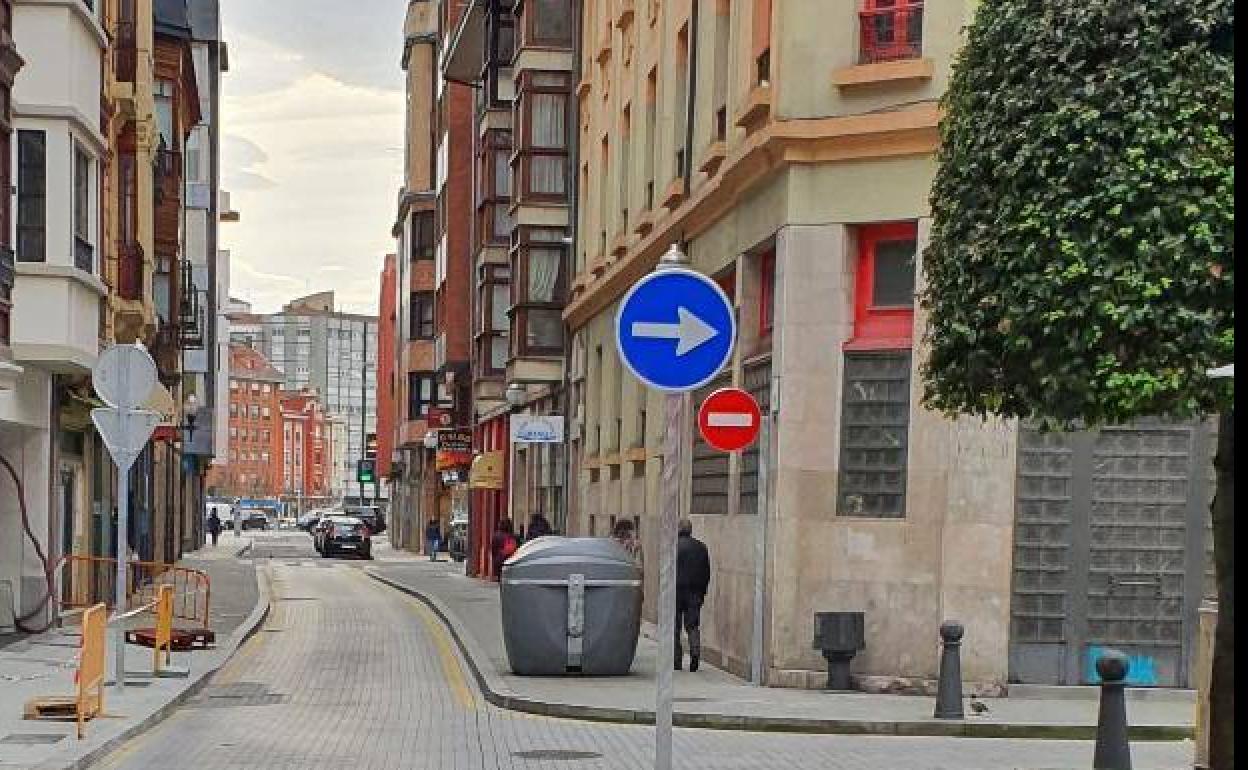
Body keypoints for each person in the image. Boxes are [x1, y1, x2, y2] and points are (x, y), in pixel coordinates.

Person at [674, 518, 711, 672]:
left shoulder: (673, 546)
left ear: (678, 530)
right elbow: (707, 572)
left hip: (676, 592)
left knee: (674, 627)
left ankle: (676, 660)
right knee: (693, 625)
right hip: (695, 593)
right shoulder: (702, 547)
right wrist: (703, 592)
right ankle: (695, 653)